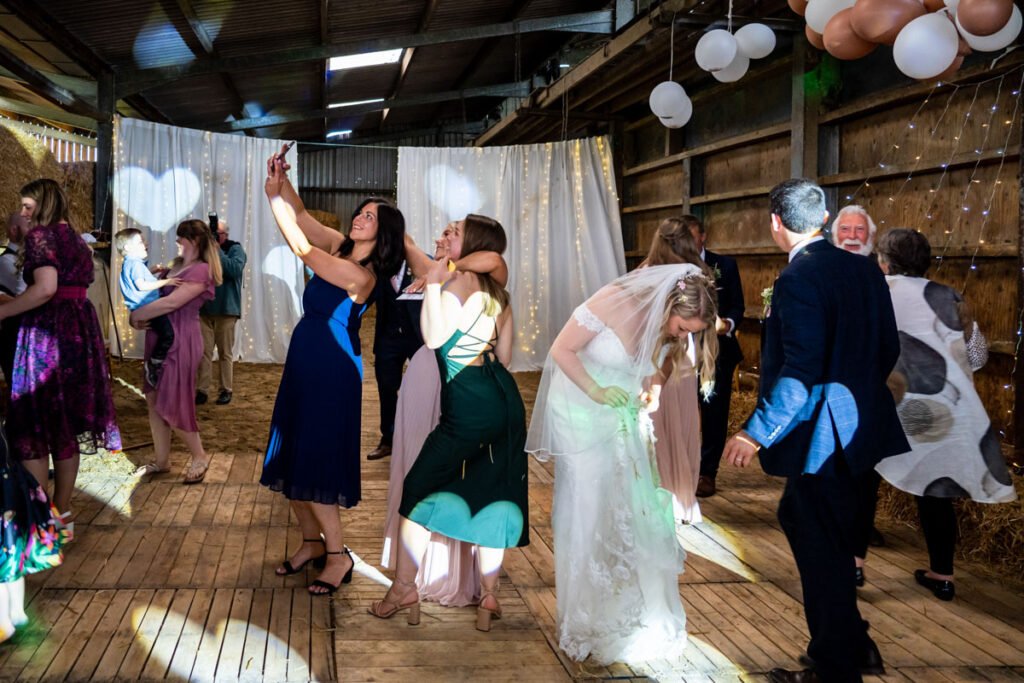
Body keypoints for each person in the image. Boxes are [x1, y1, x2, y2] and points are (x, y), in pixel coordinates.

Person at [723, 179, 908, 683]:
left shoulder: (799, 279)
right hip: (862, 428)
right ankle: (855, 643)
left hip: (824, 438)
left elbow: (800, 369)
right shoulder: (864, 269)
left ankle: (834, 667)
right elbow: (888, 347)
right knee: (822, 528)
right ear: (824, 220)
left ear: (775, 223)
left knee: (818, 540)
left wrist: (756, 431)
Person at [527, 263, 718, 665]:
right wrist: (596, 390)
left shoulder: (667, 329)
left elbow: (654, 369)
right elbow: (561, 349)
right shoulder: (614, 302)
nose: (682, 336)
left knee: (629, 506)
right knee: (589, 503)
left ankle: (622, 606)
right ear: (668, 304)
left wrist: (652, 391)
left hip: (621, 408)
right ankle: (581, 617)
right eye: (682, 327)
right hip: (580, 404)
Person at [368, 214, 526, 632]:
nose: (444, 235)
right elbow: (506, 357)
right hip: (504, 399)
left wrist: (436, 284)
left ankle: (404, 587)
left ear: (469, 243)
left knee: (416, 492)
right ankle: (489, 596)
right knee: (493, 496)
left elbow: (435, 339)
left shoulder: (454, 285)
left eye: (453, 232)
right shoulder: (499, 292)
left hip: (468, 403)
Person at [261, 148, 404, 596]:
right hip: (306, 357)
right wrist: (282, 180)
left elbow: (301, 248)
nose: (360, 217)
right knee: (293, 456)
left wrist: (270, 199)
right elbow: (301, 216)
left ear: (385, 233)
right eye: (360, 211)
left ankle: (339, 556)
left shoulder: (363, 277)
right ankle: (310, 543)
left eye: (370, 216)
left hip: (332, 367)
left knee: (317, 459)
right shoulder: (340, 245)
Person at [874, 228, 1016, 601]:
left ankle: (854, 566)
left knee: (865, 479)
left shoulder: (875, 292)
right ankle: (942, 574)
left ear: (885, 262)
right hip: (942, 412)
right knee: (936, 490)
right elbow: (977, 357)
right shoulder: (951, 297)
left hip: (889, 402)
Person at [0, 178, 122, 525]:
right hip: (78, 335)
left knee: (33, 423)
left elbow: (45, 288)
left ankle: (38, 517)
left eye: (28, 206)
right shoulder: (77, 240)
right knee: (64, 424)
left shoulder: (42, 236)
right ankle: (62, 511)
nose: (24, 213)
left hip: (45, 336)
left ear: (43, 204)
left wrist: (5, 310)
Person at [129, 219, 222, 484]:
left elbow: (172, 302)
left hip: (180, 339)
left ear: (194, 240)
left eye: (181, 237)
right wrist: (135, 316)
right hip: (159, 337)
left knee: (173, 400)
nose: (177, 242)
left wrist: (138, 314)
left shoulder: (202, 270)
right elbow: (153, 298)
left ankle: (199, 455)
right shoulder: (176, 266)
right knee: (154, 400)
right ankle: (161, 460)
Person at [641, 217, 714, 522]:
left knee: (658, 424)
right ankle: (680, 497)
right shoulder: (695, 273)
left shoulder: (644, 273)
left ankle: (659, 494)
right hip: (682, 353)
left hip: (659, 354)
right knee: (681, 424)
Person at [682, 215, 745, 499]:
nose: (687, 243)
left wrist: (726, 326)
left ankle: (708, 472)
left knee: (714, 411)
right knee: (679, 409)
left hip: (717, 350)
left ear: (703, 236)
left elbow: (737, 307)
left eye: (691, 236)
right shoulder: (671, 267)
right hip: (679, 349)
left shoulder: (725, 265)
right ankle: (680, 467)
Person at [366, 208, 425, 461]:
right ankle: (388, 438)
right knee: (387, 389)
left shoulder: (422, 265)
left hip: (417, 338)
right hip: (387, 338)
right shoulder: (376, 267)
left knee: (423, 389)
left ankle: (420, 438)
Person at [114, 228, 181, 387]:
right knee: (167, 334)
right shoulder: (135, 264)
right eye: (140, 241)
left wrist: (152, 271)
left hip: (144, 307)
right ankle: (154, 363)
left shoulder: (131, 263)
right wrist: (167, 282)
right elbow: (142, 285)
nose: (146, 243)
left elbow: (139, 278)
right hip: (149, 307)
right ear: (128, 248)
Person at [197, 219, 247, 406]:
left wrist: (216, 250)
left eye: (217, 233)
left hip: (227, 309)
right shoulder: (203, 251)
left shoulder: (236, 249)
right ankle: (201, 390)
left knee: (225, 353)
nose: (213, 237)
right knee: (203, 352)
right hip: (204, 309)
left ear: (225, 234)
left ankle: (226, 390)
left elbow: (234, 270)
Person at [0, 213, 30, 398]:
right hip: (13, 332)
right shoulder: (6, 261)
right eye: (28, 225)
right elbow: (26, 296)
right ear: (13, 230)